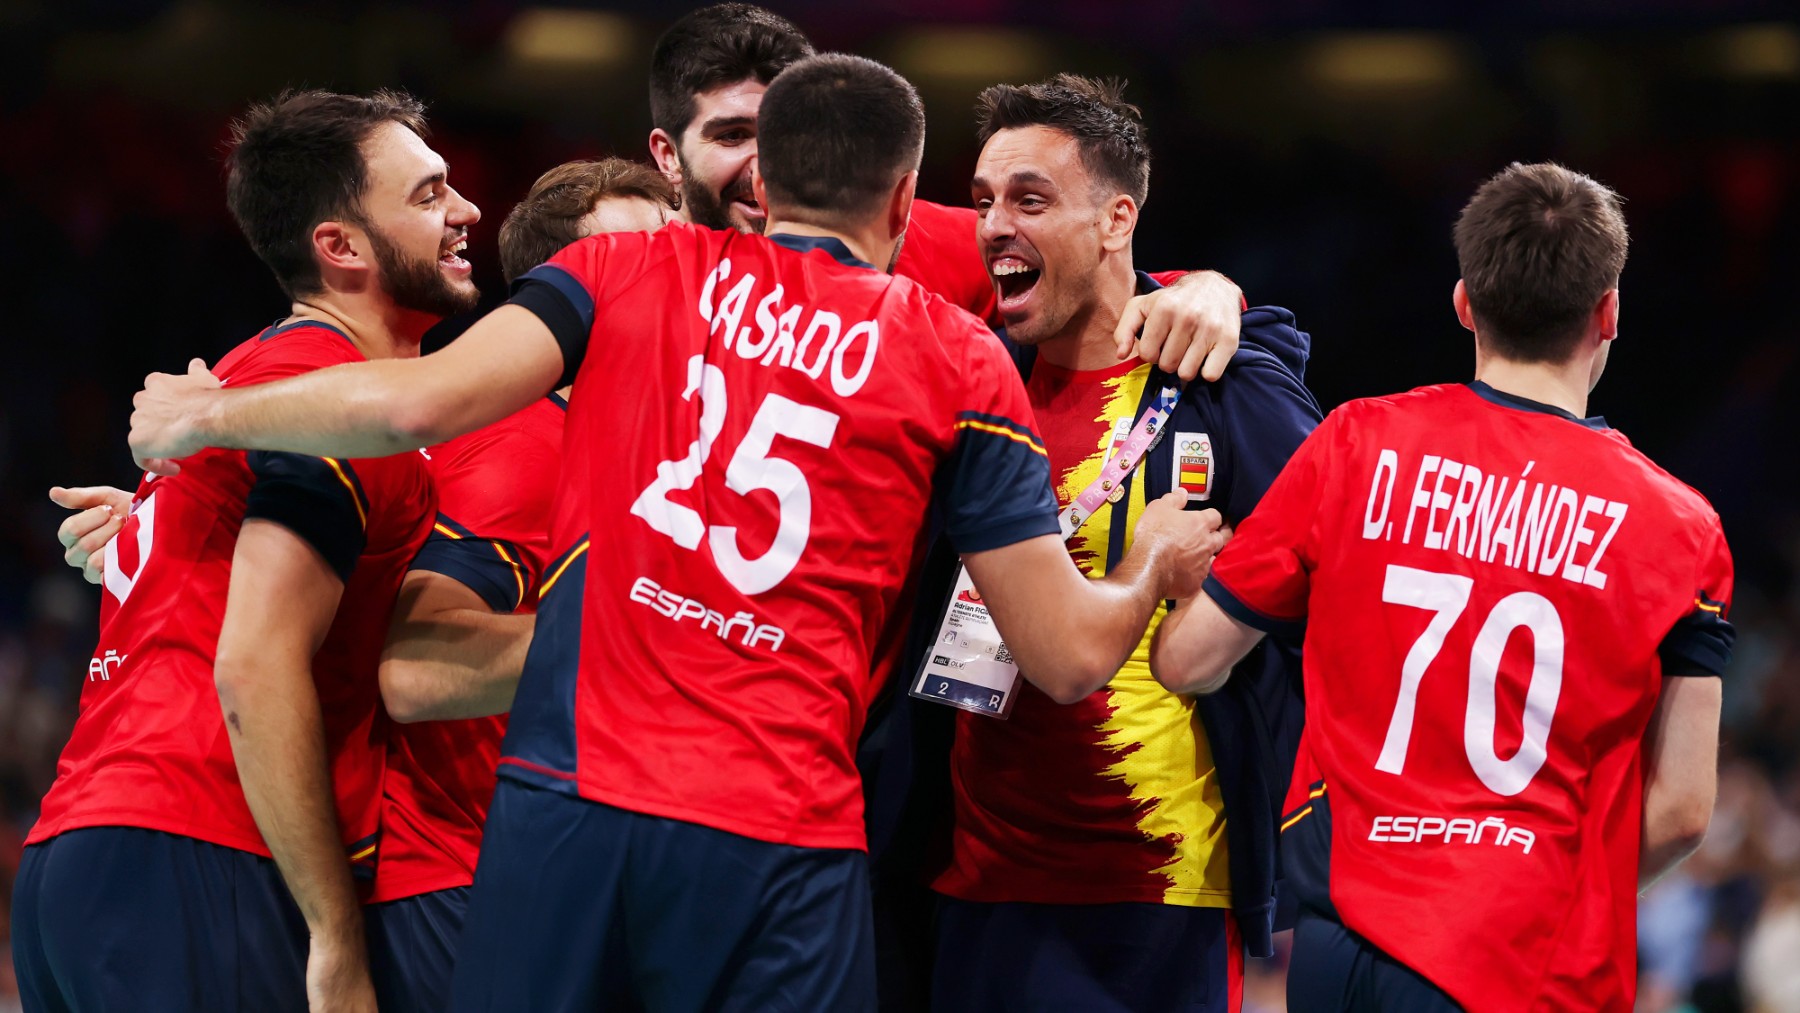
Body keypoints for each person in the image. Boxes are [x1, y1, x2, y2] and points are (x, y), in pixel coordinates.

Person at [122, 54, 1229, 1011]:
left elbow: (411, 405)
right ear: (904, 205)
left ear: (758, 182)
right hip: (780, 832)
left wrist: (206, 415)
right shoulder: (958, 354)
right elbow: (1067, 653)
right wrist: (1146, 568)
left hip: (570, 809)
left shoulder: (620, 271)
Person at [1149, 162, 1734, 1012]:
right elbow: (1681, 810)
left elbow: (1190, 661)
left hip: (1336, 951)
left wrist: (1160, 575)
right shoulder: (1682, 528)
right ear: (1609, 311)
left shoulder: (1355, 444)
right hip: (1519, 960)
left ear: (1464, 302)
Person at [12, 89, 473, 1013]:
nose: (464, 212)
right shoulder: (324, 397)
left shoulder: (241, 383)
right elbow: (255, 668)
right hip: (202, 851)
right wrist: (339, 939)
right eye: (427, 197)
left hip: (87, 850)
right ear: (339, 246)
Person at [923, 74, 1320, 1012]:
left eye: (1030, 199)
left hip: (1159, 888)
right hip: (977, 883)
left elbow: (1334, 552)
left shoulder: (1218, 382)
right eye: (982, 201)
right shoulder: (974, 378)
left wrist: (1219, 621)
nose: (992, 227)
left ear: (1115, 219)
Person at [362, 158, 678, 1013]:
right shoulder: (526, 447)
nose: (675, 286)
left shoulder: (618, 440)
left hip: (533, 878)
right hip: (462, 886)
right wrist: (659, 633)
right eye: (635, 264)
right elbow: (415, 670)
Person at [644, 3, 1247, 381]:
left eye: (781, 132)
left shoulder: (923, 237)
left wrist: (1208, 290)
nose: (762, 167)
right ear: (668, 156)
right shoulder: (625, 266)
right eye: (731, 136)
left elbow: (1100, 277)